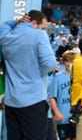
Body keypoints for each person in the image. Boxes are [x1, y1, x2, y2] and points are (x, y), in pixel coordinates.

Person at [0, 10, 57, 139]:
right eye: (42, 27)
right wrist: (38, 71)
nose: (43, 30)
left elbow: (3, 26)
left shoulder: (6, 36)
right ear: (33, 23)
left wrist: (17, 21)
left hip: (11, 101)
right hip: (33, 100)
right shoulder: (39, 35)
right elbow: (50, 64)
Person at [50, 50, 77, 140]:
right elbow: (52, 97)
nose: (71, 64)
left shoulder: (79, 77)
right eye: (69, 61)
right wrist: (57, 112)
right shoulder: (58, 77)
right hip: (63, 115)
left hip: (77, 115)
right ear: (65, 62)